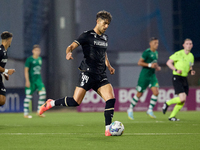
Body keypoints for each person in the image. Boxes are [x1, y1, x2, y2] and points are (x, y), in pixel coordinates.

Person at [39, 10, 115, 136]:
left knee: (110, 99)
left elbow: (103, 53)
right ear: (97, 21)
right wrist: (68, 52)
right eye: (104, 23)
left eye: (108, 24)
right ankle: (51, 103)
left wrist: (109, 66)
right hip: (87, 73)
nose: (106, 26)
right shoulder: (87, 35)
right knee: (75, 102)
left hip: (101, 75)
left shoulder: (105, 38)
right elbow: (71, 46)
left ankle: (108, 129)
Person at [127, 37, 161, 120]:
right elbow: (139, 62)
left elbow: (154, 63)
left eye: (157, 43)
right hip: (144, 76)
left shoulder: (156, 53)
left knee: (156, 92)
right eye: (155, 43)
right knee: (139, 94)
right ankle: (130, 109)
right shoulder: (147, 52)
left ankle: (150, 110)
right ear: (150, 43)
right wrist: (149, 65)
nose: (157, 45)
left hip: (152, 76)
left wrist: (157, 67)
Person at [162, 38, 195, 121]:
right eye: (187, 43)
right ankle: (167, 102)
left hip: (184, 78)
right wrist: (176, 69)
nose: (189, 45)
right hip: (177, 77)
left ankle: (172, 116)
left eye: (190, 44)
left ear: (192, 45)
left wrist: (191, 71)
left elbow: (190, 66)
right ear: (183, 45)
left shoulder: (191, 56)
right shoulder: (179, 54)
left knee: (183, 101)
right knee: (182, 98)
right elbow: (168, 63)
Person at [24, 45, 46, 118]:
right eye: (36, 50)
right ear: (33, 51)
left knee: (43, 94)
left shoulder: (40, 59)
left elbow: (38, 70)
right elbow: (26, 70)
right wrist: (27, 81)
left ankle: (39, 111)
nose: (37, 52)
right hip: (31, 81)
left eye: (38, 51)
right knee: (28, 97)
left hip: (38, 80)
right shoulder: (29, 59)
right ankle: (26, 114)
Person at [0, 31, 15, 106]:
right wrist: (7, 71)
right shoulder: (0, 50)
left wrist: (4, 73)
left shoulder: (5, 51)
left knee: (2, 100)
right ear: (9, 39)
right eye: (11, 40)